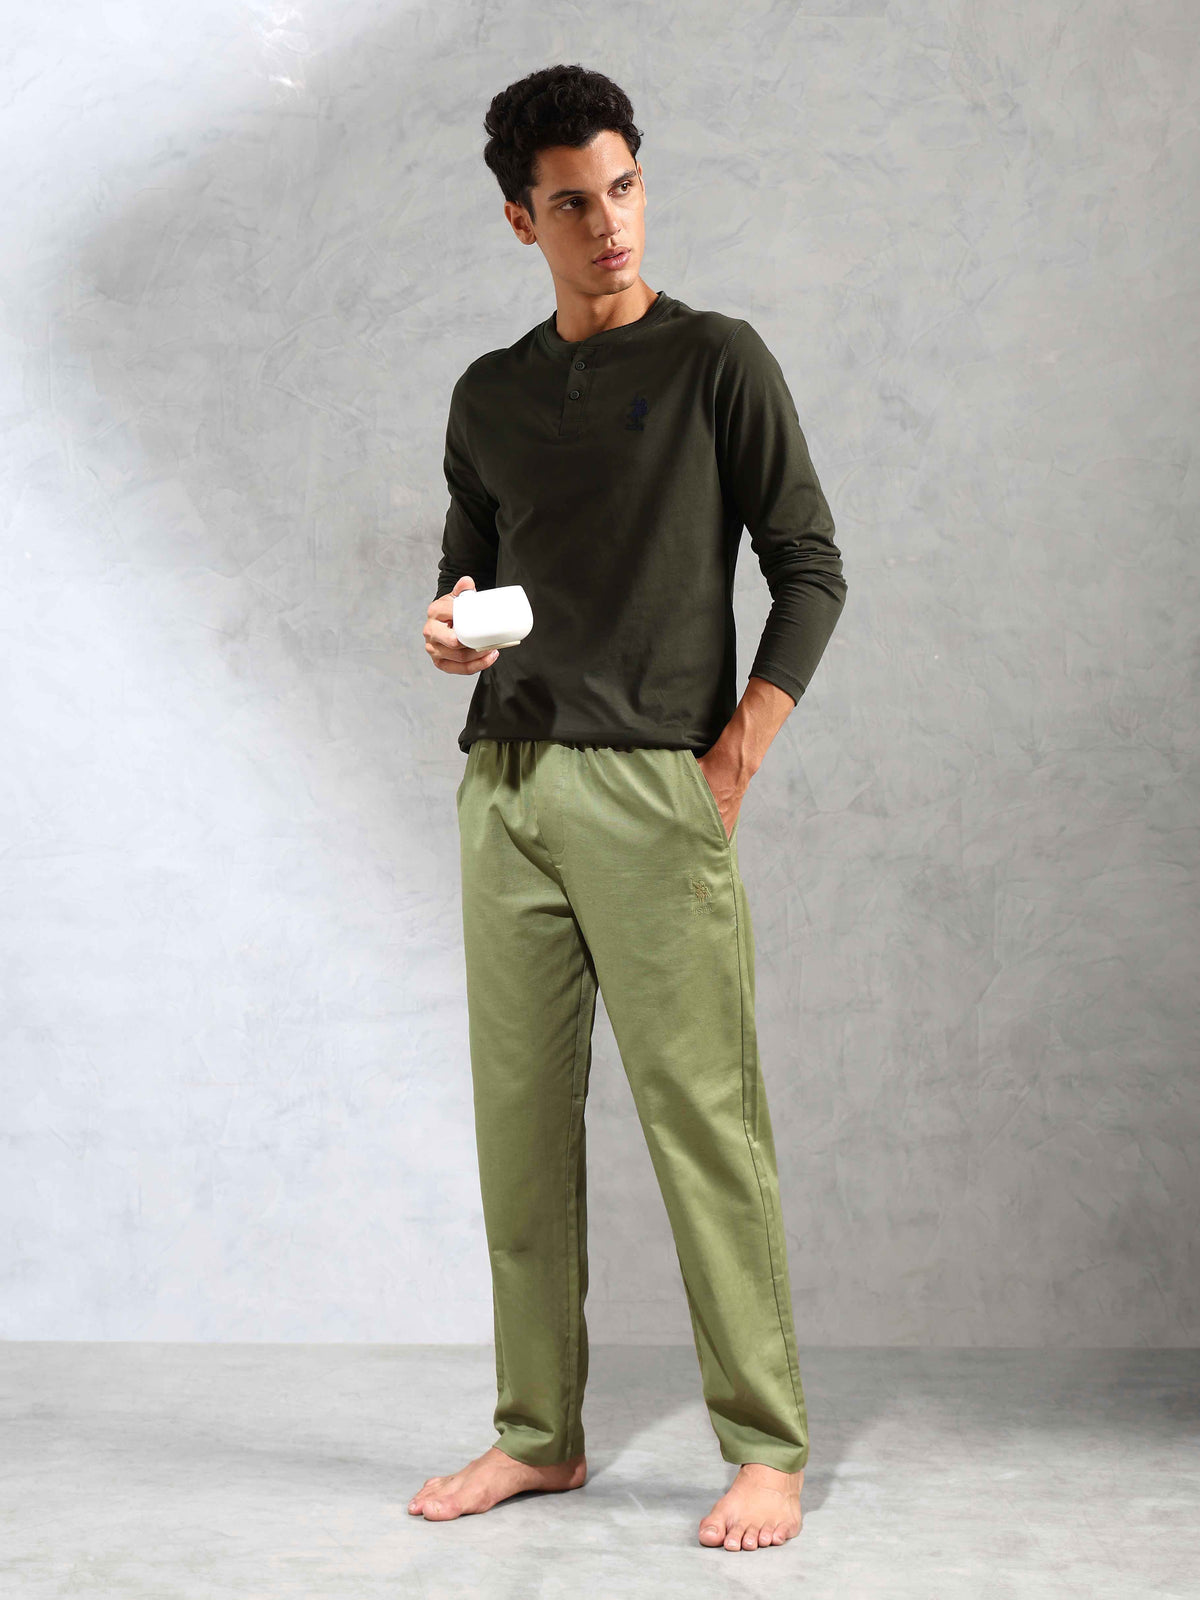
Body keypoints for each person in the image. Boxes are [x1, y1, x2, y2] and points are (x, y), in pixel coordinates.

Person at [411, 63, 846, 1554]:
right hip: (506, 785)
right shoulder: (490, 394)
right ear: (519, 220)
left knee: (703, 1118)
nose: (609, 223)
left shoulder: (719, 360)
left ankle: (767, 1448)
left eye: (625, 188)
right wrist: (448, 628)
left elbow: (810, 568)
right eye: (572, 203)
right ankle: (537, 1434)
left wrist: (733, 758)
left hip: (656, 786)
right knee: (520, 1127)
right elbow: (466, 572)